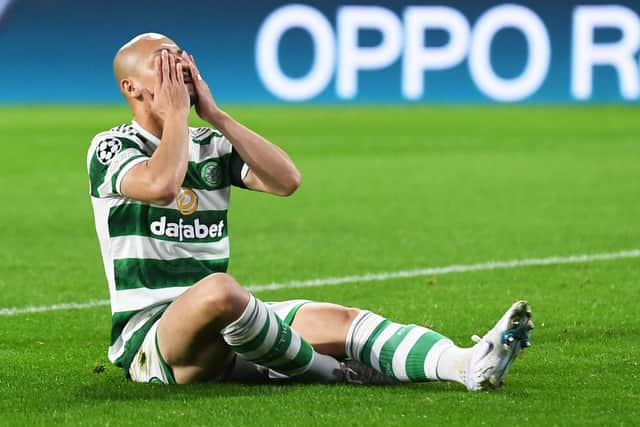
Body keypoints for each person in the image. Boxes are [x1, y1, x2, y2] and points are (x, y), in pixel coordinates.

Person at [87, 33, 533, 389]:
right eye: (163, 62)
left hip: (230, 325)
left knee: (342, 320)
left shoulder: (211, 145)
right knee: (219, 291)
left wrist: (217, 116)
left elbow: (286, 182)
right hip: (155, 339)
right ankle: (328, 373)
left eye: (181, 56)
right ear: (131, 87)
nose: (178, 66)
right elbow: (162, 185)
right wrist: (179, 118)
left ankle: (465, 364)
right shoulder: (112, 147)